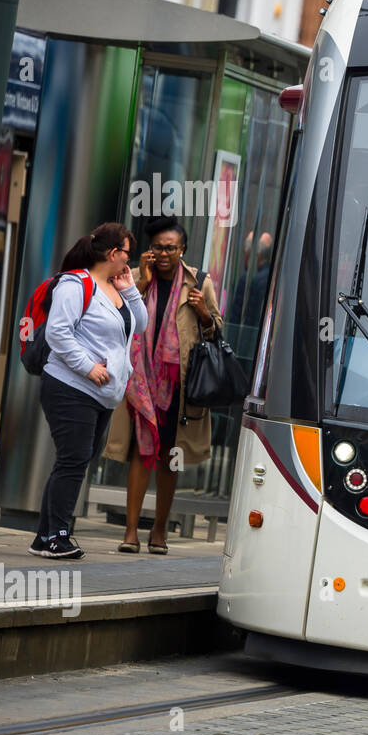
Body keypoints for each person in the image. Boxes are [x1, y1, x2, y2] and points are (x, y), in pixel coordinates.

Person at [102, 218, 222, 554]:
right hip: (140, 382)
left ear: (182, 249)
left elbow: (216, 330)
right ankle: (130, 533)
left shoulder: (200, 282)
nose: (164, 253)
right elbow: (116, 316)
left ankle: (159, 531)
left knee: (171, 457)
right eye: (157, 247)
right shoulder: (135, 278)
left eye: (171, 248)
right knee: (142, 454)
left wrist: (204, 313)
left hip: (178, 387)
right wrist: (141, 283)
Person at [30, 223, 147, 559]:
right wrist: (87, 366)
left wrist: (130, 291)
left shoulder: (113, 286)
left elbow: (140, 324)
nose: (130, 258)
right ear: (113, 254)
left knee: (72, 462)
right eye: (127, 252)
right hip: (71, 387)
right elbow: (58, 333)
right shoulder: (75, 284)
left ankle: (44, 537)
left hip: (102, 394)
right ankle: (59, 537)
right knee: (73, 462)